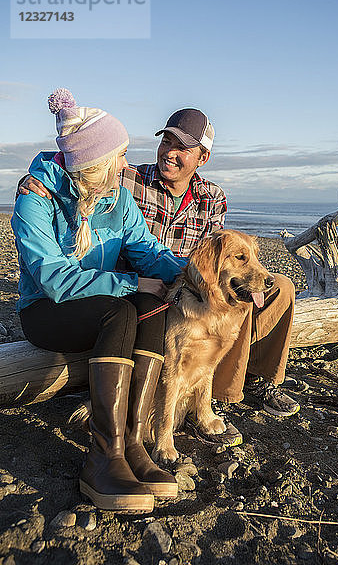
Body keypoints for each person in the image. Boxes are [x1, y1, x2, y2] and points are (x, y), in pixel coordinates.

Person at [19, 107, 301, 449]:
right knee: (137, 311)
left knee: (270, 290)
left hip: (166, 283)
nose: (169, 151)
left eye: (182, 146)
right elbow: (72, 170)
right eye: (166, 140)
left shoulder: (180, 197)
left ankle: (220, 395)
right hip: (89, 299)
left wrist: (197, 277)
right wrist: (37, 177)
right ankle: (117, 443)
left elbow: (153, 251)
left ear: (203, 157)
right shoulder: (123, 182)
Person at [12, 88, 187, 512]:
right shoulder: (35, 199)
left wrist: (196, 273)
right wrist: (130, 283)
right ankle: (101, 456)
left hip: (101, 306)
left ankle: (133, 443)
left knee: (153, 304)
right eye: (120, 156)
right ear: (96, 163)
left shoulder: (118, 198)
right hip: (46, 313)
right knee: (124, 306)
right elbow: (53, 279)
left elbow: (147, 250)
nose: (127, 165)